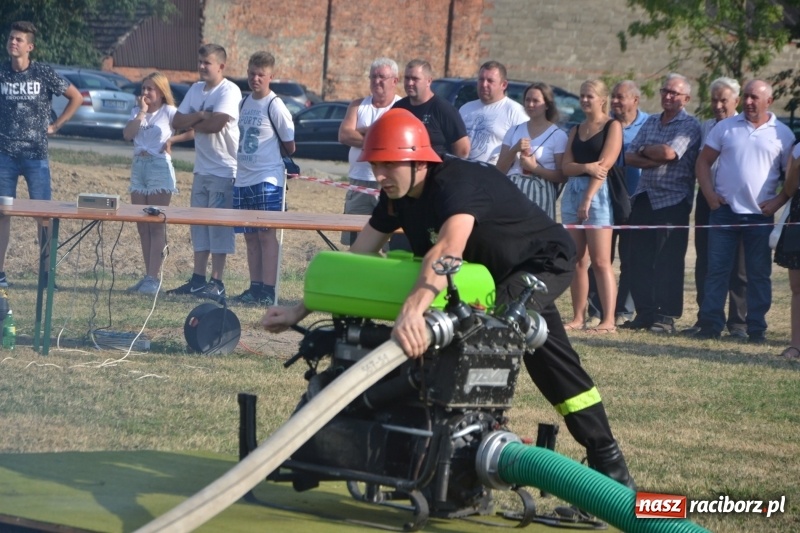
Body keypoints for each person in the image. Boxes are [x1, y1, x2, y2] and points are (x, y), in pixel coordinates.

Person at [261, 109, 636, 490]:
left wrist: (412, 312)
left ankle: (599, 461)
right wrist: (299, 311)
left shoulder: (456, 183)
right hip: (482, 276)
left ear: (419, 162)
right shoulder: (396, 196)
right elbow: (357, 258)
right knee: (510, 350)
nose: (379, 176)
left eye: (388, 165)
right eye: (375, 166)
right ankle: (403, 452)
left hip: (538, 262)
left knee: (498, 339)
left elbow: (447, 251)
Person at [693, 80, 794, 342]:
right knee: (716, 271)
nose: (748, 102)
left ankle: (756, 329)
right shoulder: (725, 127)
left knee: (758, 274)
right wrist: (710, 196)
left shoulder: (782, 134)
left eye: (754, 98)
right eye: (746, 96)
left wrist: (778, 201)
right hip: (723, 213)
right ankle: (710, 326)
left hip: (760, 217)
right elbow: (703, 162)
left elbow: (792, 178)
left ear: (769, 102)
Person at [0, 21, 82, 287]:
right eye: (11, 38)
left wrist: (56, 125)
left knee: (43, 214)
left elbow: (76, 97)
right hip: (4, 155)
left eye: (19, 40)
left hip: (36, 155)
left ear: (30, 47)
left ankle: (47, 274)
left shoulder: (43, 73)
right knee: (2, 213)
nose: (13, 42)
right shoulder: (2, 72)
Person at [623, 73, 701, 334]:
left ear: (686, 99)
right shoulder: (651, 121)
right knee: (638, 258)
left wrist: (646, 151)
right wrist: (651, 154)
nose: (668, 96)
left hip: (673, 200)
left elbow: (669, 153)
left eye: (674, 93)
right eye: (665, 91)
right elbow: (629, 155)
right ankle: (644, 313)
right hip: (644, 196)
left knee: (668, 260)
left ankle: (665, 316)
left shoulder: (690, 125)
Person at [166, 43, 241, 301]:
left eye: (207, 63)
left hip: (224, 170)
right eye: (200, 62)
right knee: (199, 226)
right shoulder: (196, 89)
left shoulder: (229, 90)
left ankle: (217, 282)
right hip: (201, 169)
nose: (201, 67)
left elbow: (217, 124)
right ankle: (198, 280)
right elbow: (176, 121)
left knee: (218, 227)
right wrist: (200, 114)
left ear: (221, 66)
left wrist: (196, 122)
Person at [682, 77, 747, 338]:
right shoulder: (706, 127)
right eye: (714, 100)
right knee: (706, 260)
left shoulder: (744, 126)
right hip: (707, 199)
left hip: (735, 202)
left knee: (738, 264)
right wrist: (709, 195)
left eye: (723, 100)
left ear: (736, 101)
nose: (718, 105)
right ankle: (707, 318)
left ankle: (739, 323)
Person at [231, 51, 295, 306]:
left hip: (267, 178)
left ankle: (269, 289)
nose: (255, 79)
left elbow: (290, 144)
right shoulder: (244, 102)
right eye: (251, 74)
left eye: (260, 75)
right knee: (250, 235)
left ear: (270, 76)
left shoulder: (274, 104)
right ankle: (255, 286)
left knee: (267, 235)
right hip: (243, 177)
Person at [123, 72, 194, 295]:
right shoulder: (137, 112)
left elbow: (192, 130)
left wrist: (172, 139)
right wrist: (141, 112)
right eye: (143, 88)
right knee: (142, 224)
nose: (145, 93)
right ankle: (147, 276)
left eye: (150, 89)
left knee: (155, 224)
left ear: (161, 93)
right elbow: (127, 135)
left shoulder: (169, 111)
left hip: (159, 167)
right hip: (139, 167)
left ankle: (154, 278)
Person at [561, 80, 622, 333]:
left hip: (598, 194)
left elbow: (604, 166)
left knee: (600, 260)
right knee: (576, 259)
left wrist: (587, 198)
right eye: (582, 96)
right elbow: (566, 167)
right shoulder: (576, 129)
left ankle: (608, 320)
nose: (585, 100)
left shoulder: (612, 126)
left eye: (590, 96)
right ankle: (578, 317)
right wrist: (586, 167)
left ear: (602, 99)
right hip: (572, 192)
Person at [587, 80, 649, 327]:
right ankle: (596, 310)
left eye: (620, 97)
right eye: (613, 96)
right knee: (600, 258)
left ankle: (624, 310)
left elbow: (649, 157)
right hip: (604, 199)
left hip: (634, 200)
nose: (614, 101)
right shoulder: (603, 123)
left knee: (630, 258)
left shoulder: (648, 124)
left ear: (635, 100)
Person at [338, 57, 400, 246]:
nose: (377, 81)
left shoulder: (401, 107)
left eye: (382, 77)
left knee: (389, 242)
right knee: (357, 241)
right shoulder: (358, 105)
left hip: (390, 183)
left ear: (394, 80)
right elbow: (344, 135)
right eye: (373, 77)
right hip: (359, 181)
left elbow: (396, 143)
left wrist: (365, 132)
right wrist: (380, 137)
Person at [496, 82, 567, 221]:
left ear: (547, 105)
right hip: (513, 193)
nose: (530, 104)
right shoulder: (514, 130)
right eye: (527, 100)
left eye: (536, 101)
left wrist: (534, 168)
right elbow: (499, 170)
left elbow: (562, 176)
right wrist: (514, 150)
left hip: (541, 196)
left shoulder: (558, 135)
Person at [393, 59, 469, 158]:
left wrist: (447, 166)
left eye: (415, 79)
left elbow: (463, 150)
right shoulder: (398, 108)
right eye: (407, 78)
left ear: (428, 81)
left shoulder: (443, 109)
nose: (410, 83)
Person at [459, 60, 527, 165]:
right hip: (463, 169)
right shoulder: (466, 109)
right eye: (481, 79)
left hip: (493, 173)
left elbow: (524, 151)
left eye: (490, 81)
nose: (484, 84)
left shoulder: (516, 112)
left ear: (503, 85)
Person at [775, 145, 800, 358]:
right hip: (798, 217)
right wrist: (797, 166)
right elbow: (790, 190)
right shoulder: (798, 149)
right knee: (797, 287)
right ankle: (796, 345)